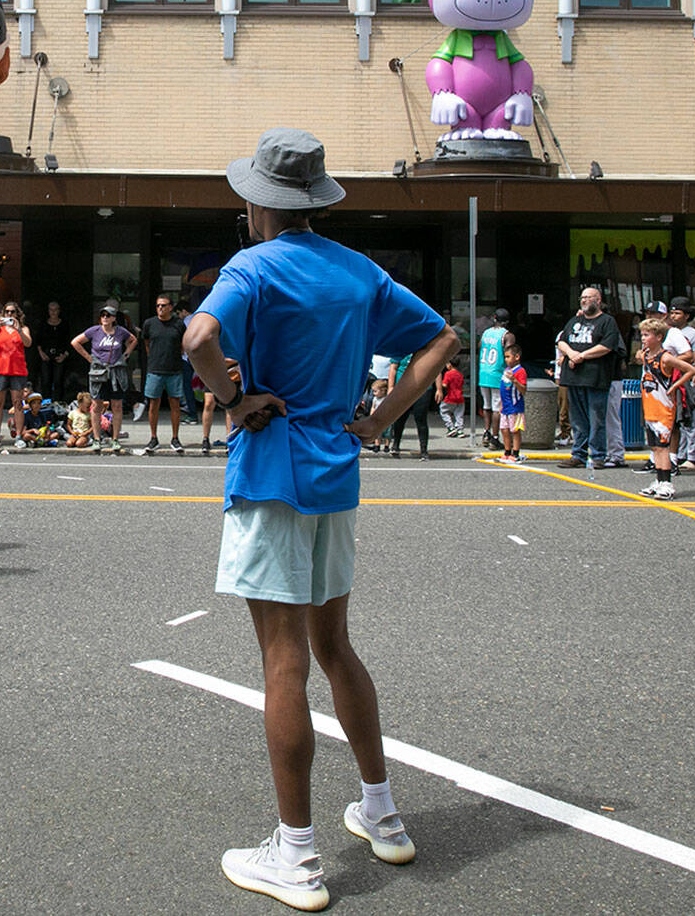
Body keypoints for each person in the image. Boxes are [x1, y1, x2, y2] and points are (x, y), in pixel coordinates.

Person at [181, 129, 456, 911]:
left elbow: (199, 336)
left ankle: (296, 856)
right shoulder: (358, 269)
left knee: (282, 661)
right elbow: (442, 336)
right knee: (335, 645)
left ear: (258, 200)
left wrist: (233, 401)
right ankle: (381, 809)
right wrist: (382, 417)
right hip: (338, 468)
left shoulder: (253, 265)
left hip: (271, 471)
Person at [555, 287, 623, 469]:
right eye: (582, 298)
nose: (584, 301)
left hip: (596, 378)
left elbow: (607, 346)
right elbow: (562, 341)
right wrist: (571, 353)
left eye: (588, 297)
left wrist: (582, 356)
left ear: (598, 300)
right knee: (577, 419)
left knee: (597, 418)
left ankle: (599, 455)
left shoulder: (607, 322)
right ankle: (579, 454)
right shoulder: (575, 321)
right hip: (574, 378)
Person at [636, 316, 695, 501]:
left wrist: (676, 385)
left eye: (647, 335)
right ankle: (658, 480)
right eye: (642, 335)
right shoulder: (646, 355)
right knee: (654, 446)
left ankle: (666, 482)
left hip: (663, 407)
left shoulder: (666, 357)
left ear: (659, 337)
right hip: (649, 404)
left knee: (663, 447)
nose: (643, 338)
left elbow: (691, 369)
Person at [73, 304, 138, 452]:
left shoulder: (120, 332)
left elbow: (133, 340)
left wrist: (125, 355)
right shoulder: (94, 331)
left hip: (116, 371)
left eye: (108, 315)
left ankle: (115, 438)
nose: (105, 318)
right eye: (103, 315)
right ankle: (97, 439)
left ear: (114, 318)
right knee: (96, 405)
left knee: (117, 405)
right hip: (99, 371)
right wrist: (90, 359)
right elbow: (75, 342)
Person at [141, 293, 191, 453]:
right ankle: (153, 438)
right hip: (155, 369)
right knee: (153, 404)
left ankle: (175, 438)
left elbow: (183, 344)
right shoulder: (149, 323)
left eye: (163, 305)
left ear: (170, 307)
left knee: (175, 404)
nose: (160, 308)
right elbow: (147, 343)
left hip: (174, 369)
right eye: (158, 306)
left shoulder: (178, 324)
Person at [665, 298, 695, 470]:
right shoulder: (668, 332)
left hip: (687, 380)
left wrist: (694, 381)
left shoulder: (693, 335)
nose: (673, 316)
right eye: (672, 313)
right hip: (672, 380)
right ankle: (679, 454)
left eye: (678, 313)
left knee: (691, 418)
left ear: (687, 316)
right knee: (676, 419)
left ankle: (691, 456)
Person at [0, 301, 32, 448]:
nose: (9, 315)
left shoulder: (23, 328)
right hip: (0, 368)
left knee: (18, 403)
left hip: (17, 369)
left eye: (12, 312)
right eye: (7, 312)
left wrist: (18, 330)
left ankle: (18, 436)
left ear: (17, 314)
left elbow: (28, 343)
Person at [476, 307, 510, 446]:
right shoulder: (507, 335)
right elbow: (509, 354)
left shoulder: (486, 333)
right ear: (507, 321)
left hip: (484, 371)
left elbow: (479, 346)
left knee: (487, 405)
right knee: (497, 407)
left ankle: (486, 432)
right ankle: (495, 438)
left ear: (494, 319)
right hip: (497, 373)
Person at [35, 300, 75, 401]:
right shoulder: (43, 324)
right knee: (45, 380)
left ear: (59, 311)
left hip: (60, 355)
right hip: (45, 354)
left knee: (58, 381)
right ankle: (46, 403)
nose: (53, 312)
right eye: (51, 310)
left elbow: (69, 341)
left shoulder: (64, 324)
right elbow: (38, 340)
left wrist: (64, 355)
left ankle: (58, 403)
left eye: (55, 310)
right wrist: (41, 353)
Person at [497, 344, 527, 463]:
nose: (506, 359)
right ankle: (507, 451)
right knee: (504, 429)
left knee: (515, 430)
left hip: (515, 406)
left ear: (517, 357)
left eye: (508, 357)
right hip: (505, 406)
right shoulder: (506, 370)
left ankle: (516, 452)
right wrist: (501, 403)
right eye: (505, 357)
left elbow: (523, 389)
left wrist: (514, 380)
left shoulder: (520, 371)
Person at [438, 358, 467, 436]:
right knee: (459, 414)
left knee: (443, 410)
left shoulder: (448, 374)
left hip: (450, 397)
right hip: (460, 397)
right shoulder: (460, 374)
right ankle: (460, 429)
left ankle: (450, 427)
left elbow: (445, 384)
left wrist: (439, 384)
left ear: (450, 365)